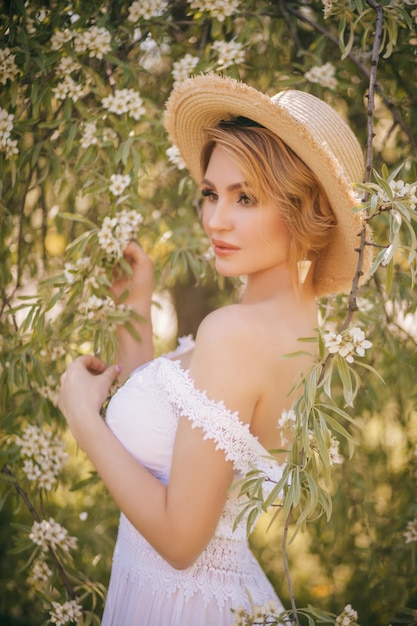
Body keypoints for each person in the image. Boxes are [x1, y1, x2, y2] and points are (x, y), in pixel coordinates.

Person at [58, 74, 372, 625]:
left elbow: (180, 541)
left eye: (245, 197)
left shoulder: (236, 333)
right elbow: (171, 452)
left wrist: (83, 419)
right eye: (211, 193)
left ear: (308, 210)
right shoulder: (296, 330)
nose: (215, 220)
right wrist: (137, 302)